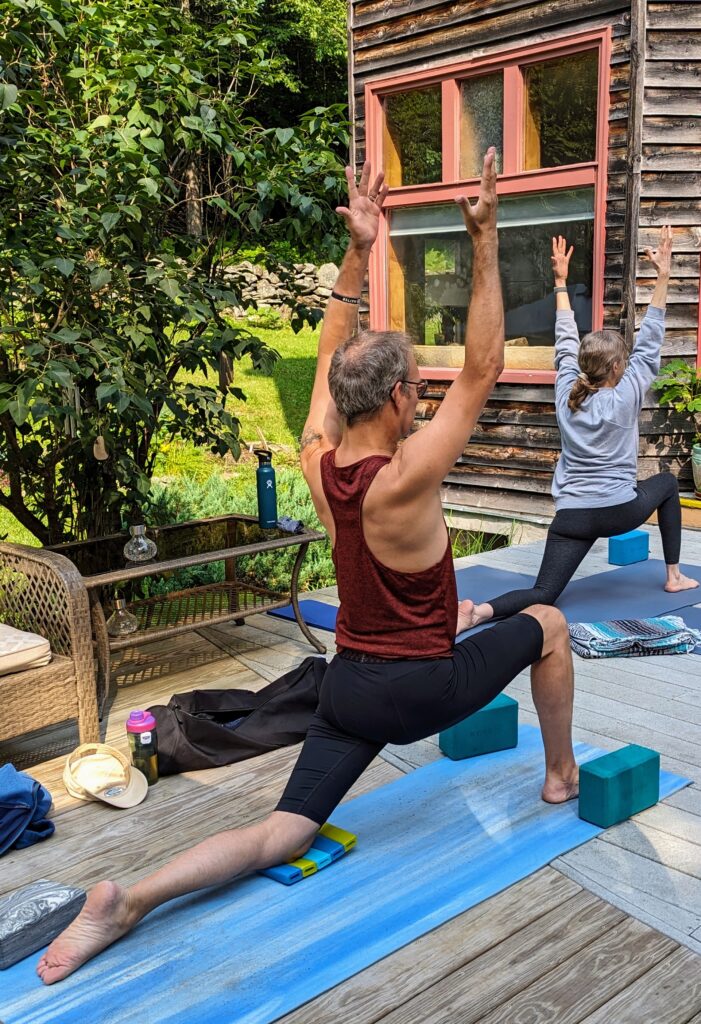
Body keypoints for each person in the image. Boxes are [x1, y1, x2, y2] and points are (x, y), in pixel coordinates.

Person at [37, 148, 578, 986]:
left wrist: (360, 248)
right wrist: (483, 237)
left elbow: (333, 357)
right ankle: (558, 777)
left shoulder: (320, 464)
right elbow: (482, 367)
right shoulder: (405, 479)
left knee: (286, 829)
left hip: (348, 687)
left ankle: (129, 900)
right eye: (413, 392)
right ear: (398, 399)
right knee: (545, 622)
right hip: (418, 690)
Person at [465, 228, 698, 629]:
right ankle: (674, 576)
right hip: (618, 512)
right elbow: (651, 339)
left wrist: (560, 282)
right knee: (665, 486)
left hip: (572, 517)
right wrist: (663, 276)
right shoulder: (624, 396)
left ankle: (477, 613)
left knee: (543, 594)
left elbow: (565, 337)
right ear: (616, 369)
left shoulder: (565, 391)